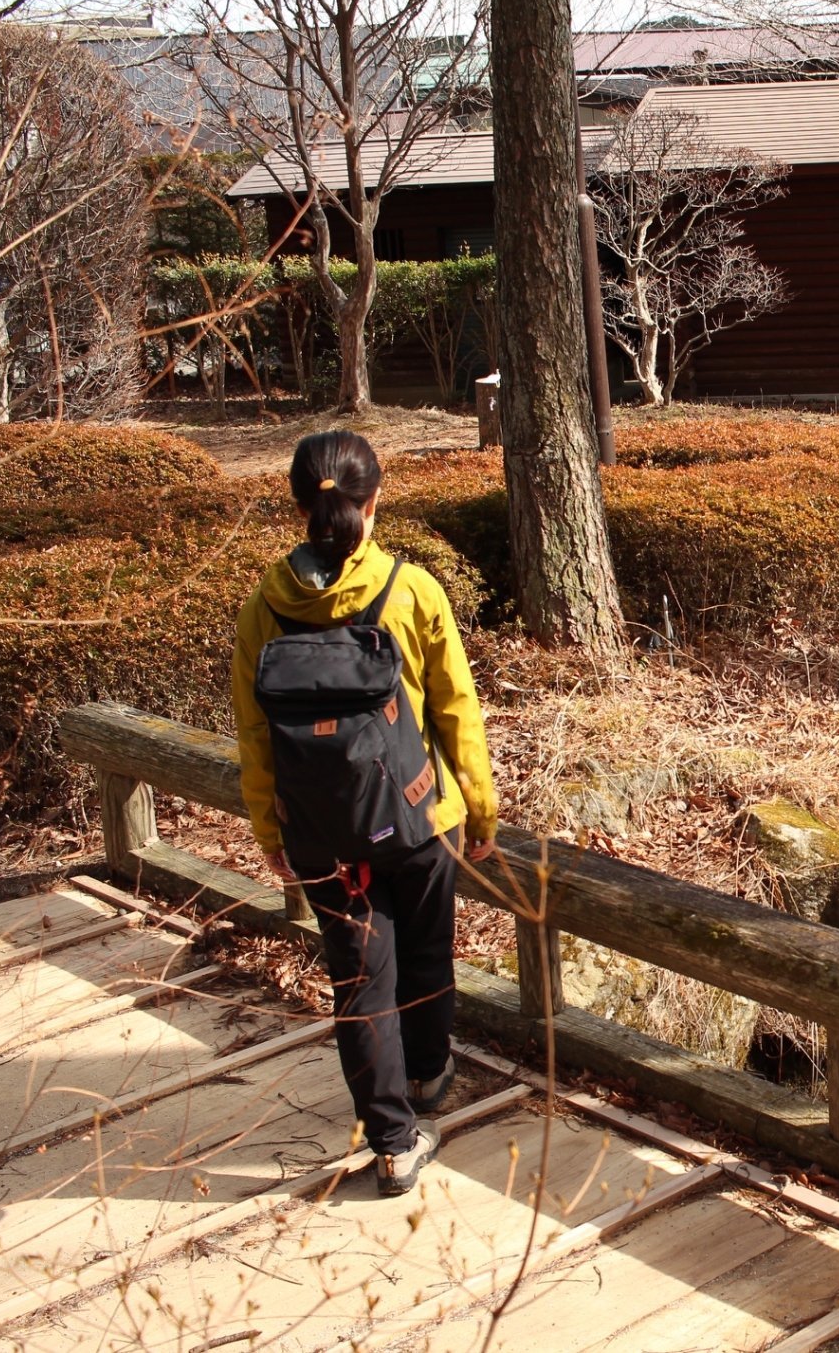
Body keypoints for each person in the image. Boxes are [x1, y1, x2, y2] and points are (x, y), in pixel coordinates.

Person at [232, 431, 498, 1196]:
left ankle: (392, 1142)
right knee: (424, 954)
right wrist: (480, 810)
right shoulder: (410, 591)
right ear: (373, 501)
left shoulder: (265, 606)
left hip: (322, 834)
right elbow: (456, 710)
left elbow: (254, 735)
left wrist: (269, 830)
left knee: (359, 978)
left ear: (298, 504)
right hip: (418, 818)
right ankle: (428, 1077)